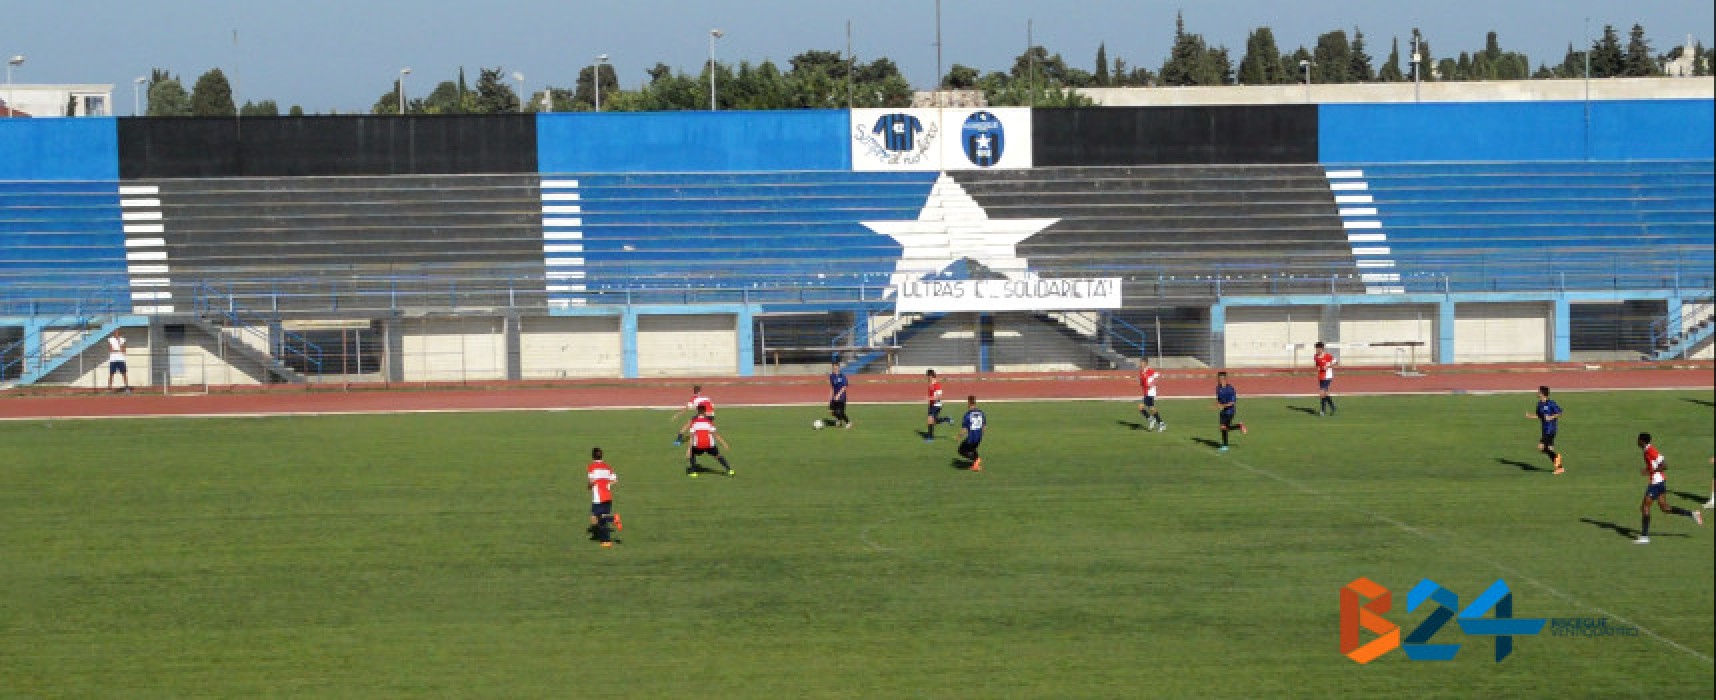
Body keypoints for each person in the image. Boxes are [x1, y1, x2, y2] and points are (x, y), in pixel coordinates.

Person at [1633, 433, 1703, 544]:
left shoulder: (1651, 450)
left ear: (1642, 441)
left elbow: (1664, 465)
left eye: (1638, 440)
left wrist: (1649, 471)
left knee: (1645, 507)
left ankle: (1645, 537)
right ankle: (1692, 514)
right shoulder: (1647, 450)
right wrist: (1649, 470)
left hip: (1656, 483)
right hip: (1660, 482)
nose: (1636, 442)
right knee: (1665, 508)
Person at [683, 405, 734, 478]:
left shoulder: (693, 422)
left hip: (698, 445)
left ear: (697, 411)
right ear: (704, 412)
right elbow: (715, 435)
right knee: (718, 456)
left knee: (692, 454)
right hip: (709, 444)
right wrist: (724, 443)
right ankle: (729, 470)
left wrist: (688, 450)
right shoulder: (709, 422)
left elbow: (692, 437)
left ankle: (693, 472)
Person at [587, 447, 620, 548]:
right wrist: (607, 485)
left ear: (592, 456)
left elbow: (591, 481)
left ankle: (612, 521)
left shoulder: (591, 467)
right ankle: (602, 538)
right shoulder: (608, 467)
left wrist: (589, 486)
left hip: (598, 497)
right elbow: (615, 480)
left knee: (597, 518)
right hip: (608, 496)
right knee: (599, 518)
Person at [1527, 386, 1564, 474]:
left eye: (1539, 392)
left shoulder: (1551, 403)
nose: (1537, 393)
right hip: (1544, 429)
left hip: (1550, 429)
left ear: (1543, 394)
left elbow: (1560, 413)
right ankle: (1559, 468)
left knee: (1541, 447)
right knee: (1549, 449)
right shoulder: (1539, 404)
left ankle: (1557, 458)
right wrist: (1530, 416)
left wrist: (1551, 417)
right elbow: (1539, 416)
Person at [1214, 372, 1247, 452]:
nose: (1218, 380)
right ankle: (1239, 426)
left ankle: (1225, 446)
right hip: (1223, 411)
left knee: (1224, 427)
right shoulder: (1218, 388)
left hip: (1230, 411)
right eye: (1218, 378)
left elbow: (1232, 402)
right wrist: (1218, 404)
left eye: (1220, 378)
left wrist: (1223, 406)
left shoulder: (1230, 389)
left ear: (1224, 379)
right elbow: (1218, 398)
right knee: (1223, 428)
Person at [957, 395, 986, 471]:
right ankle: (975, 465)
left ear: (969, 403)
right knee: (972, 450)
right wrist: (981, 435)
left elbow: (964, 429)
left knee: (961, 450)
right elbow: (984, 426)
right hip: (979, 437)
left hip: (971, 438)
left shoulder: (967, 415)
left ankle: (977, 459)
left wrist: (959, 436)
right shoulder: (981, 413)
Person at [1137, 358, 1165, 432]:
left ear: (1146, 364)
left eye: (1142, 363)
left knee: (1140, 407)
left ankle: (1151, 420)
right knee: (1152, 408)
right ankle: (1161, 424)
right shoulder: (1141, 371)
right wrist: (1141, 383)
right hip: (1146, 392)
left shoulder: (1150, 370)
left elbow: (1158, 376)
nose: (1141, 364)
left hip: (1150, 392)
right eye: (1140, 363)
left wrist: (1151, 384)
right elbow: (1142, 381)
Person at [924, 369, 951, 441]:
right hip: (931, 405)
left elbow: (939, 397)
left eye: (928, 376)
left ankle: (930, 437)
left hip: (937, 405)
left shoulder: (937, 385)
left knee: (930, 420)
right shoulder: (930, 384)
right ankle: (946, 419)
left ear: (931, 376)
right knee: (933, 421)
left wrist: (930, 398)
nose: (927, 377)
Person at [1313, 341, 1337, 416]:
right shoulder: (1316, 356)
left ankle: (1322, 410)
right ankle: (1332, 406)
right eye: (1316, 348)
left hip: (1327, 376)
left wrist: (1328, 367)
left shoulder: (1328, 356)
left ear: (1322, 349)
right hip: (1320, 376)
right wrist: (1317, 368)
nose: (1317, 350)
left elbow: (1336, 363)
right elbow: (1317, 365)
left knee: (1321, 393)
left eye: (1318, 348)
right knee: (1324, 394)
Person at [827, 360, 852, 429]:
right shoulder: (831, 376)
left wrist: (838, 395)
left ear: (838, 368)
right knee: (831, 412)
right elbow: (832, 387)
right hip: (834, 397)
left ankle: (848, 422)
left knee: (840, 412)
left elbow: (844, 387)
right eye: (833, 368)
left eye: (836, 367)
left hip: (841, 397)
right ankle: (839, 420)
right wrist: (830, 397)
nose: (834, 369)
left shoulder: (842, 376)